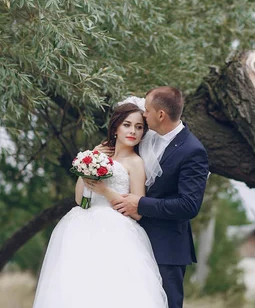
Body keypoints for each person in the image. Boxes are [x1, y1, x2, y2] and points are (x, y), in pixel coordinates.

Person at [31, 102, 168, 308]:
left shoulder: (135, 162)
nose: (133, 131)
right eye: (127, 125)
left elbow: (137, 211)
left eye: (139, 127)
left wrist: (105, 191)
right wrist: (90, 160)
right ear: (115, 128)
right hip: (81, 227)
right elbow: (80, 199)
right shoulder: (99, 155)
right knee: (77, 289)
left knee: (112, 290)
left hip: (118, 233)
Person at [112, 86, 210, 308]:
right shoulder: (146, 137)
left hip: (167, 249)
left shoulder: (193, 151)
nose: (143, 114)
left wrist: (141, 204)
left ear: (161, 115)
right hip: (132, 241)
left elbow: (189, 205)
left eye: (146, 110)